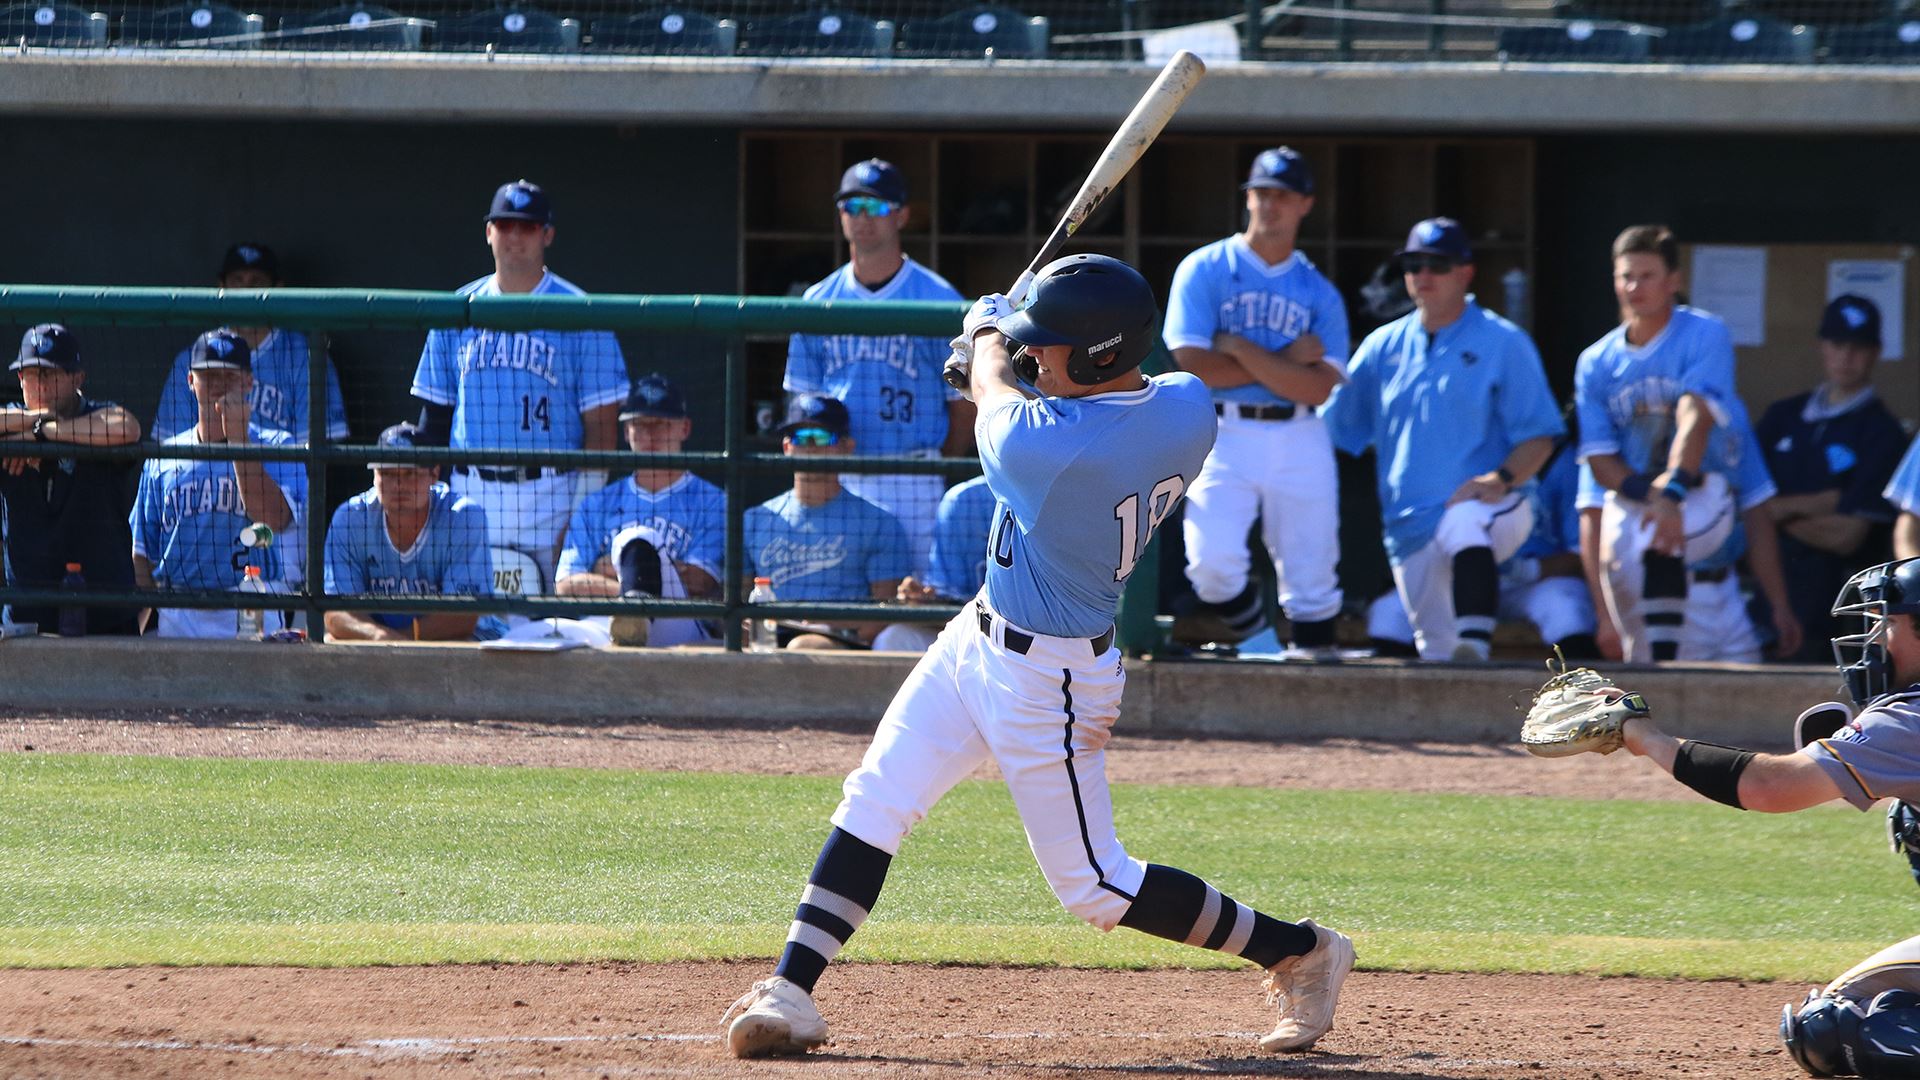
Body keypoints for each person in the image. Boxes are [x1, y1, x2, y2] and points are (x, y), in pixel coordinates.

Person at [720, 254, 1354, 1058]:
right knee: (877, 796)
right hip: (978, 633)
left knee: (1096, 886)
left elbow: (1000, 397)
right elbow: (1023, 390)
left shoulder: (1050, 452)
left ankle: (1301, 950)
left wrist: (986, 335)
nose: (1037, 355)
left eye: (1052, 346)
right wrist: (1007, 355)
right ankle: (792, 989)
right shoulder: (1188, 406)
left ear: (1098, 356)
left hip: (1048, 678)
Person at [1545, 557, 1920, 1077]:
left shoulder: (1910, 719)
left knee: (1842, 1029)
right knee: (1848, 1013)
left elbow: (1769, 786)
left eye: (1891, 623)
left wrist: (1645, 737)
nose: (1877, 638)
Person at [1322, 217, 1563, 661]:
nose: (1423, 275)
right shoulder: (1382, 346)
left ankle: (1476, 638)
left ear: (1466, 272)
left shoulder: (1503, 341)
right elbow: (1333, 426)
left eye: (1438, 264)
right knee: (1436, 652)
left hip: (1495, 501)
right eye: (1414, 265)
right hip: (1408, 524)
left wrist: (1501, 478)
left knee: (1465, 520)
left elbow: (1541, 436)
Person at [1163, 146, 1350, 658]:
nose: (1269, 205)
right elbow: (1192, 363)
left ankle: (1318, 673)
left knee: (1312, 569)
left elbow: (1318, 388)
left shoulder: (1318, 289)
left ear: (1304, 204)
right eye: (1261, 193)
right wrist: (1287, 360)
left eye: (1282, 195)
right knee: (1210, 564)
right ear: (1247, 198)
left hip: (1299, 430)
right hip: (1221, 429)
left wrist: (1241, 347)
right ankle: (1261, 644)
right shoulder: (1205, 268)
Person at [410, 180, 631, 595]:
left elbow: (601, 429)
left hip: (551, 492)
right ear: (488, 232)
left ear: (547, 235)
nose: (514, 236)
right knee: (469, 618)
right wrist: (434, 498)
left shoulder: (581, 311)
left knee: (551, 621)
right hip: (469, 490)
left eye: (527, 227)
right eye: (505, 225)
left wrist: (579, 514)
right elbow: (434, 420)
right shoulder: (458, 308)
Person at [784, 158, 970, 576]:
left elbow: (963, 407)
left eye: (877, 207)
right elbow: (801, 401)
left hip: (912, 470)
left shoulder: (939, 299)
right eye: (853, 206)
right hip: (839, 475)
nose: (862, 218)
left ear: (902, 215)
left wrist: (934, 463)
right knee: (841, 594)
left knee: (914, 595)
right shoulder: (818, 300)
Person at [1574, 224, 1743, 664]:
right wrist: (1654, 497)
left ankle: (1667, 670)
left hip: (1701, 493)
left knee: (1654, 536)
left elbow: (1694, 417)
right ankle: (1653, 670)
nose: (1634, 286)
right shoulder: (1595, 361)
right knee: (1634, 626)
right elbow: (1599, 461)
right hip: (1636, 496)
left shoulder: (1705, 333)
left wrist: (1671, 493)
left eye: (1647, 275)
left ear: (1674, 280)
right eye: (1626, 275)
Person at [1578, 399, 1800, 662]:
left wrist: (1779, 603)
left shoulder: (1730, 408)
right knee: (1666, 696)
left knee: (1746, 696)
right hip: (1660, 592)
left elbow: (1756, 511)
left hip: (1729, 590)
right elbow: (1595, 518)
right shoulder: (1622, 406)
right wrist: (1606, 615)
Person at [1757, 295, 1908, 660]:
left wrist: (1776, 513)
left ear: (1875, 353)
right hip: (1760, 603)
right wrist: (1828, 501)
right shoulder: (1782, 417)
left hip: (1832, 612)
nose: (1846, 356)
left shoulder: (1883, 432)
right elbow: (1744, 505)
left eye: (1859, 347)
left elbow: (1847, 535)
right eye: (1838, 344)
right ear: (1821, 346)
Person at [130, 330, 303, 638]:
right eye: (209, 375)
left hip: (254, 605)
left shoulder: (280, 446)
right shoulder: (163, 457)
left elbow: (274, 519)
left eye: (230, 376)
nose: (219, 385)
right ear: (190, 381)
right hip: (180, 612)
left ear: (249, 382)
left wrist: (238, 439)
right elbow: (142, 552)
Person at [555, 374, 724, 649]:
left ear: (685, 428)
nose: (651, 434)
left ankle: (634, 606)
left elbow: (698, 583)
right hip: (601, 624)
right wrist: (645, 578)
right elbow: (566, 585)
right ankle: (632, 608)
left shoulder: (713, 501)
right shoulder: (596, 504)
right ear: (625, 432)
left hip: (676, 625)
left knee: (639, 537)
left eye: (662, 423)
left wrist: (613, 570)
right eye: (640, 424)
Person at [0, 324, 143, 634]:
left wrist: (41, 435)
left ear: (77, 378)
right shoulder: (11, 422)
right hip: (28, 613)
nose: (38, 385)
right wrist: (33, 421)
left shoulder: (100, 415)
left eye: (49, 374)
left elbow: (127, 427)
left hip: (106, 613)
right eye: (28, 375)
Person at [741, 393, 911, 650]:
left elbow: (884, 616)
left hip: (840, 642)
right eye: (800, 437)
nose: (810, 446)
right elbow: (738, 601)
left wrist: (832, 622)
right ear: (787, 447)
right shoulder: (755, 519)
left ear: (846, 447)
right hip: (767, 637)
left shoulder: (878, 522)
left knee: (803, 645)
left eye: (822, 437)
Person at [151, 243, 350, 444]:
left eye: (256, 282)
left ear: (277, 289)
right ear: (222, 287)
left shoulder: (303, 356)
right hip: (204, 474)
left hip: (278, 474)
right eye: (237, 281)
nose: (246, 291)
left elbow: (315, 456)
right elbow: (173, 450)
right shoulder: (193, 360)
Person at [321, 422, 493, 642]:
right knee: (332, 640)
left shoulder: (464, 517)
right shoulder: (349, 518)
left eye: (410, 473)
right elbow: (337, 613)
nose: (398, 484)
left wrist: (398, 643)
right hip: (378, 646)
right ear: (374, 474)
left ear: (434, 473)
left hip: (460, 644)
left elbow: (461, 618)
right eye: (388, 473)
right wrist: (379, 637)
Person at [880, 473, 996, 653]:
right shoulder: (966, 499)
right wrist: (924, 601)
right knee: (894, 638)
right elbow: (949, 598)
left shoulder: (1053, 496)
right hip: (976, 632)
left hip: (1039, 640)